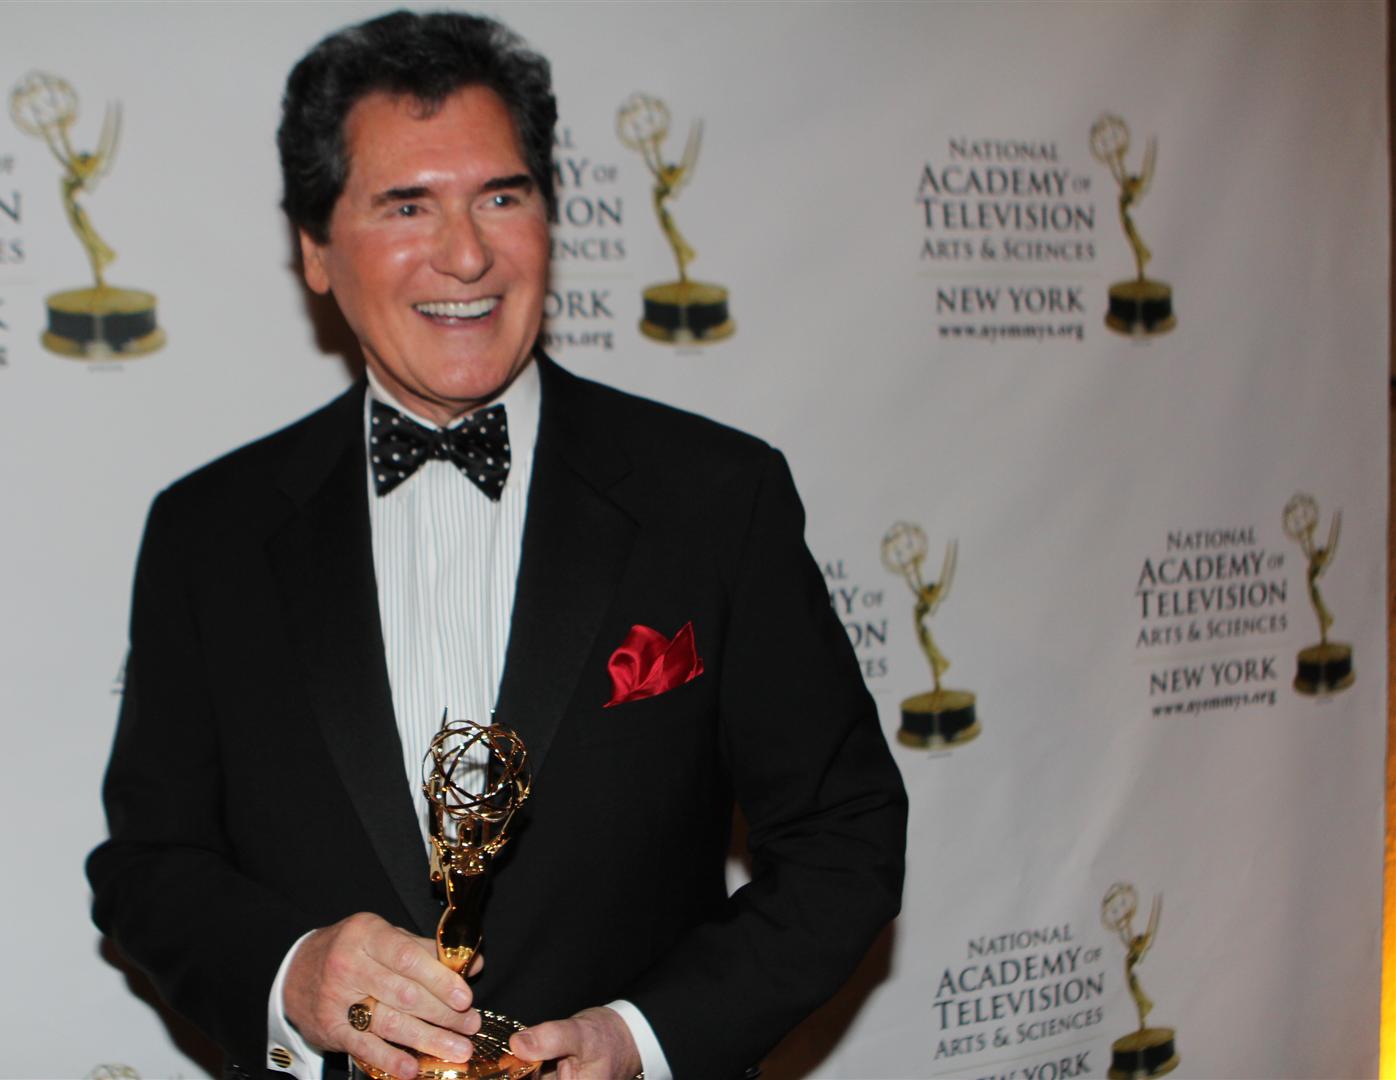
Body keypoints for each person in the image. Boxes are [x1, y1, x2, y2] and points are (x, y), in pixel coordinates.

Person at [86, 11, 906, 1080]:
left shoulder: (714, 497)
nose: (467, 253)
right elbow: (149, 865)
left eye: (502, 197)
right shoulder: (210, 533)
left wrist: (642, 1041)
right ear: (316, 250)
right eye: (406, 205)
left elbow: (845, 834)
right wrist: (294, 976)